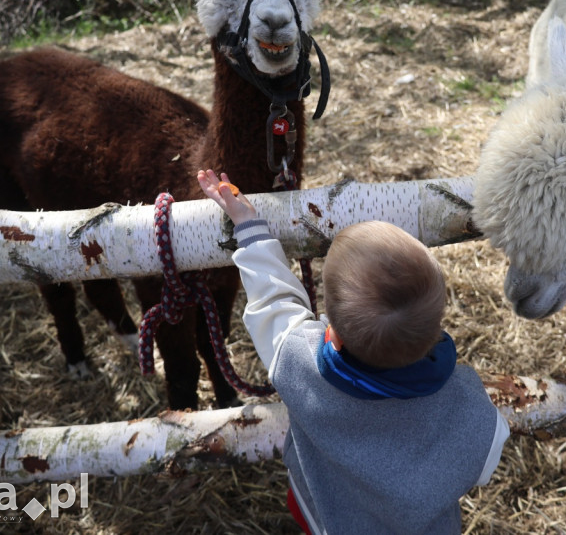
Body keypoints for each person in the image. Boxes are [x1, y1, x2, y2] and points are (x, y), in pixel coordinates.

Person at [197, 169, 510, 535]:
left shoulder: (300, 364)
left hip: (330, 519)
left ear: (335, 335)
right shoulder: (468, 405)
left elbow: (273, 300)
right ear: (436, 328)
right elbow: (488, 455)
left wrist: (248, 225)